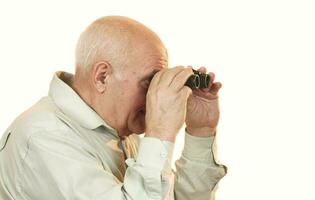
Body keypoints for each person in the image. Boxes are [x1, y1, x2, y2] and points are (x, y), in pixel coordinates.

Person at [0, 16, 227, 200]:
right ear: (102, 77)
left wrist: (200, 131)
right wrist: (159, 133)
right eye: (150, 81)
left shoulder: (117, 129)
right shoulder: (45, 138)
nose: (156, 94)